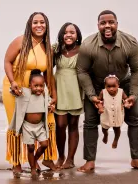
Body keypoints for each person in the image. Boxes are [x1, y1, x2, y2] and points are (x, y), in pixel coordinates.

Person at [76, 10, 138, 172]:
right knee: (90, 122)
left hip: (123, 84)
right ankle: (90, 161)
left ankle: (136, 159)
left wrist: (132, 95)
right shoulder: (88, 45)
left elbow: (137, 70)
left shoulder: (130, 43)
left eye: (111, 22)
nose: (107, 26)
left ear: (117, 24)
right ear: (98, 26)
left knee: (135, 120)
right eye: (103, 23)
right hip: (96, 85)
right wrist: (92, 96)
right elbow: (82, 71)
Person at [2, 12, 58, 177]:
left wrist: (54, 97)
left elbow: (49, 75)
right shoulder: (21, 41)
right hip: (15, 90)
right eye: (35, 22)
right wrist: (13, 82)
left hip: (37, 91)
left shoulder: (47, 47)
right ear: (29, 25)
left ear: (46, 25)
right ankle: (16, 162)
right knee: (17, 125)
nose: (39, 25)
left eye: (42, 22)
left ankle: (41, 159)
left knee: (47, 121)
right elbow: (7, 61)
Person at [8, 69, 55, 177]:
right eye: (36, 86)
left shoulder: (44, 93)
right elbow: (13, 91)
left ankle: (34, 159)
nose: (39, 88)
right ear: (30, 85)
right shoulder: (24, 93)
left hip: (40, 126)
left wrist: (51, 106)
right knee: (30, 147)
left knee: (44, 144)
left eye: (41, 86)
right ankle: (33, 167)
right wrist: (14, 87)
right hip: (27, 127)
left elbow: (48, 102)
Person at [53, 22, 83, 169]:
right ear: (62, 35)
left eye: (72, 32)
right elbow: (45, 67)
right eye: (66, 32)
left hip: (75, 91)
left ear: (77, 36)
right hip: (59, 90)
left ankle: (70, 160)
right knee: (60, 125)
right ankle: (61, 156)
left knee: (73, 125)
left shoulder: (82, 51)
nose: (69, 35)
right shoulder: (56, 49)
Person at [96, 74, 130, 149]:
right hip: (106, 114)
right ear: (105, 86)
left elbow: (126, 99)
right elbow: (98, 101)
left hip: (117, 114)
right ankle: (105, 135)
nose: (111, 89)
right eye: (109, 86)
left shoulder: (121, 92)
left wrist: (126, 103)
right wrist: (100, 107)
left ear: (118, 85)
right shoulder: (103, 92)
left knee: (117, 129)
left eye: (114, 86)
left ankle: (116, 140)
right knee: (104, 128)